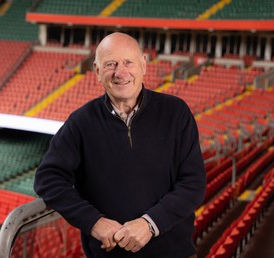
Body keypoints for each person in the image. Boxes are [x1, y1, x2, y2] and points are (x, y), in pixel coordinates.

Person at [34, 32, 206, 258]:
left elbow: (193, 183)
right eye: (110, 64)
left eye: (128, 62)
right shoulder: (80, 122)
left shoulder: (176, 112)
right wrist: (92, 221)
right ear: (97, 71)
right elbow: (48, 178)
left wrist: (149, 224)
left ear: (143, 65)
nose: (120, 72)